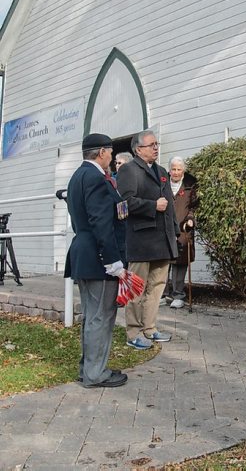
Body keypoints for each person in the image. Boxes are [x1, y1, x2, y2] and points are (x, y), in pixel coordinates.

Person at [65, 133, 127, 388]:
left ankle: (88, 368)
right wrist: (114, 261)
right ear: (101, 152)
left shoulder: (78, 176)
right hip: (98, 257)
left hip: (84, 253)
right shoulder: (96, 178)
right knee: (100, 316)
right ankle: (95, 373)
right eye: (110, 152)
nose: (112, 157)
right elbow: (101, 222)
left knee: (92, 316)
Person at [116, 130, 179, 349]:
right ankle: (133, 332)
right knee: (137, 289)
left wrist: (175, 232)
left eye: (156, 144)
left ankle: (149, 328)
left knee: (157, 287)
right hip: (141, 239)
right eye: (151, 144)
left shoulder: (161, 171)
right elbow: (125, 202)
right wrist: (152, 206)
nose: (156, 147)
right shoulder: (128, 170)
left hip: (162, 239)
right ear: (138, 149)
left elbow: (169, 202)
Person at [164, 156, 197, 309]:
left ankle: (178, 294)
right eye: (173, 169)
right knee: (163, 262)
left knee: (180, 262)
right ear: (169, 170)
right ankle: (162, 294)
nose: (176, 172)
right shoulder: (162, 183)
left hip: (183, 228)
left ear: (183, 170)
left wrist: (190, 219)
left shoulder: (191, 185)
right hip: (165, 228)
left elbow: (193, 207)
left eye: (179, 169)